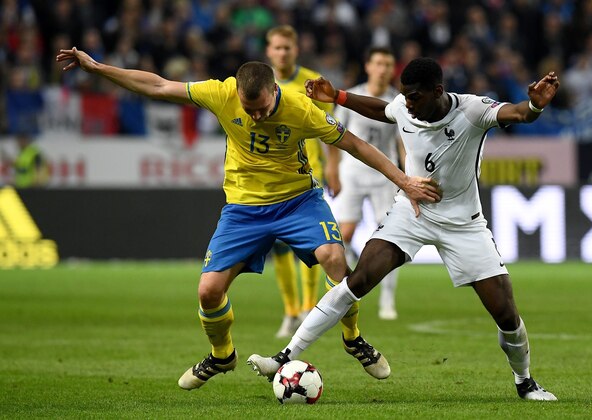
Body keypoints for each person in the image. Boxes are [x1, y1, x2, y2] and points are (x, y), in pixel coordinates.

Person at [56, 48, 443, 390]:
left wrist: (405, 181)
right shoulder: (222, 93)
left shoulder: (300, 108)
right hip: (243, 210)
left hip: (299, 202)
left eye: (261, 107)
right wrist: (98, 68)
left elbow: (355, 144)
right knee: (208, 291)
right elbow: (158, 86)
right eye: (248, 108)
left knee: (336, 261)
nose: (255, 115)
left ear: (274, 90)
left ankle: (353, 337)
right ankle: (222, 356)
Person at [247, 57, 560, 401]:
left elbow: (517, 114)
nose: (407, 105)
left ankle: (525, 381)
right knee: (359, 280)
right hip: (411, 212)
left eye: (414, 97)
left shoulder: (472, 110)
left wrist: (533, 105)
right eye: (405, 97)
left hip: (463, 224)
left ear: (437, 91)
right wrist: (338, 95)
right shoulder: (405, 107)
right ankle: (283, 357)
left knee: (505, 312)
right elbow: (384, 110)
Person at [265, 25, 334, 338]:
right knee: (278, 246)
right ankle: (290, 311)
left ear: (296, 50)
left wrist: (333, 168)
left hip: (309, 173)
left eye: (287, 48)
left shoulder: (312, 82)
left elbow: (330, 132)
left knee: (311, 244)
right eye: (277, 48)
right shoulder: (258, 83)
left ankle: (308, 306)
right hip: (270, 177)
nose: (282, 53)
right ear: (269, 50)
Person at [327, 46, 403, 320]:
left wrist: (407, 175)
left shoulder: (398, 102)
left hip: (385, 176)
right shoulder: (352, 98)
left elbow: (402, 143)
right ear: (368, 66)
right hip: (353, 174)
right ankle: (349, 292)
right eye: (378, 63)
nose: (383, 69)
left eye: (388, 64)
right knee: (343, 235)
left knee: (391, 238)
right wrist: (332, 171)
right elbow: (334, 136)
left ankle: (387, 300)